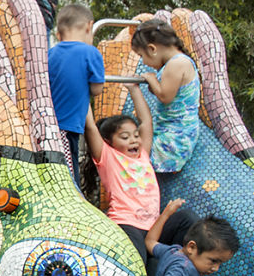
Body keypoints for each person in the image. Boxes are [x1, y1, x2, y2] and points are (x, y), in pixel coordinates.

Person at [83, 81, 196, 264]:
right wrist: (83, 89)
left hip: (154, 228)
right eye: (125, 137)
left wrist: (134, 88)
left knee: (187, 219)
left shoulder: (143, 154)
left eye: (135, 135)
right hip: (127, 224)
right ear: (109, 142)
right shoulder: (108, 157)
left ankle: (177, 265)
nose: (134, 140)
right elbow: (90, 126)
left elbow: (146, 121)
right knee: (138, 264)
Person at [130, 19, 201, 173]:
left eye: (142, 55)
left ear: (152, 49)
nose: (144, 62)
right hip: (171, 131)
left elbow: (165, 97)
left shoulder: (177, 63)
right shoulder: (177, 62)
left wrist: (152, 79)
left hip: (175, 136)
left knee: (131, 153)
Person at [47, 4, 105, 186]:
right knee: (70, 181)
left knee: (53, 177)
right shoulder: (91, 53)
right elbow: (97, 90)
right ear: (89, 26)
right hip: (69, 127)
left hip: (48, 128)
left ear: (59, 33)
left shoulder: (50, 54)